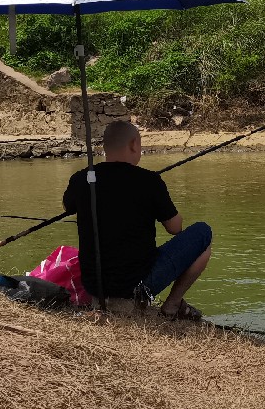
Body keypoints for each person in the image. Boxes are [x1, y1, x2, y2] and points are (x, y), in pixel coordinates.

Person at [63, 119, 211, 320]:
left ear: (105, 146)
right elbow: (175, 227)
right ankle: (172, 305)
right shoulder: (149, 181)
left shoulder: (81, 179)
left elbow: (68, 207)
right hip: (136, 288)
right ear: (134, 144)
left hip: (95, 286)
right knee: (203, 233)